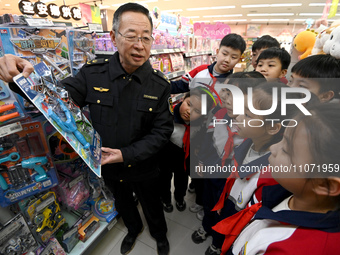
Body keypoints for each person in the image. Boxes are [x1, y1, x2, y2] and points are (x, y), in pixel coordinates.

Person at [5, 3, 173, 255]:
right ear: (114, 37)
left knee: (152, 204)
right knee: (124, 203)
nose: (140, 45)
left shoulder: (160, 85)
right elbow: (55, 99)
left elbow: (162, 132)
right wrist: (21, 77)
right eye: (131, 36)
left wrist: (125, 154)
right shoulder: (93, 74)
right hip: (108, 166)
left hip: (144, 165)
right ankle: (133, 229)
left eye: (146, 37)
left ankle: (159, 236)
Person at [214, 103, 340, 255]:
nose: (273, 149)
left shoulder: (293, 249)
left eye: (286, 150)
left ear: (325, 185)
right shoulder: (294, 192)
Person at [205, 82, 300, 255]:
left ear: (272, 127)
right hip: (230, 205)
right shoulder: (247, 143)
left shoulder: (274, 176)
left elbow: (252, 220)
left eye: (247, 115)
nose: (238, 117)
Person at [191, 72, 266, 253]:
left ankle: (217, 243)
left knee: (225, 214)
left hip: (231, 181)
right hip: (212, 173)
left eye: (236, 95)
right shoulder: (218, 114)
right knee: (209, 204)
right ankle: (206, 227)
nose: (227, 99)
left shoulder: (252, 128)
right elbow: (208, 142)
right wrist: (202, 161)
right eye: (227, 92)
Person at [158, 88, 214, 213]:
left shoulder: (201, 124)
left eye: (197, 111)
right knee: (164, 178)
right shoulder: (167, 115)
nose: (189, 111)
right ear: (183, 98)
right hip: (165, 152)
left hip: (184, 155)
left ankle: (179, 198)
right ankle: (166, 199)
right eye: (189, 104)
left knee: (181, 178)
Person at [170, 33, 246, 94]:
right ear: (217, 52)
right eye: (224, 54)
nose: (227, 60)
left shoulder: (232, 82)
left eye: (233, 57)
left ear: (239, 60)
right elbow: (179, 86)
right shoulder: (200, 70)